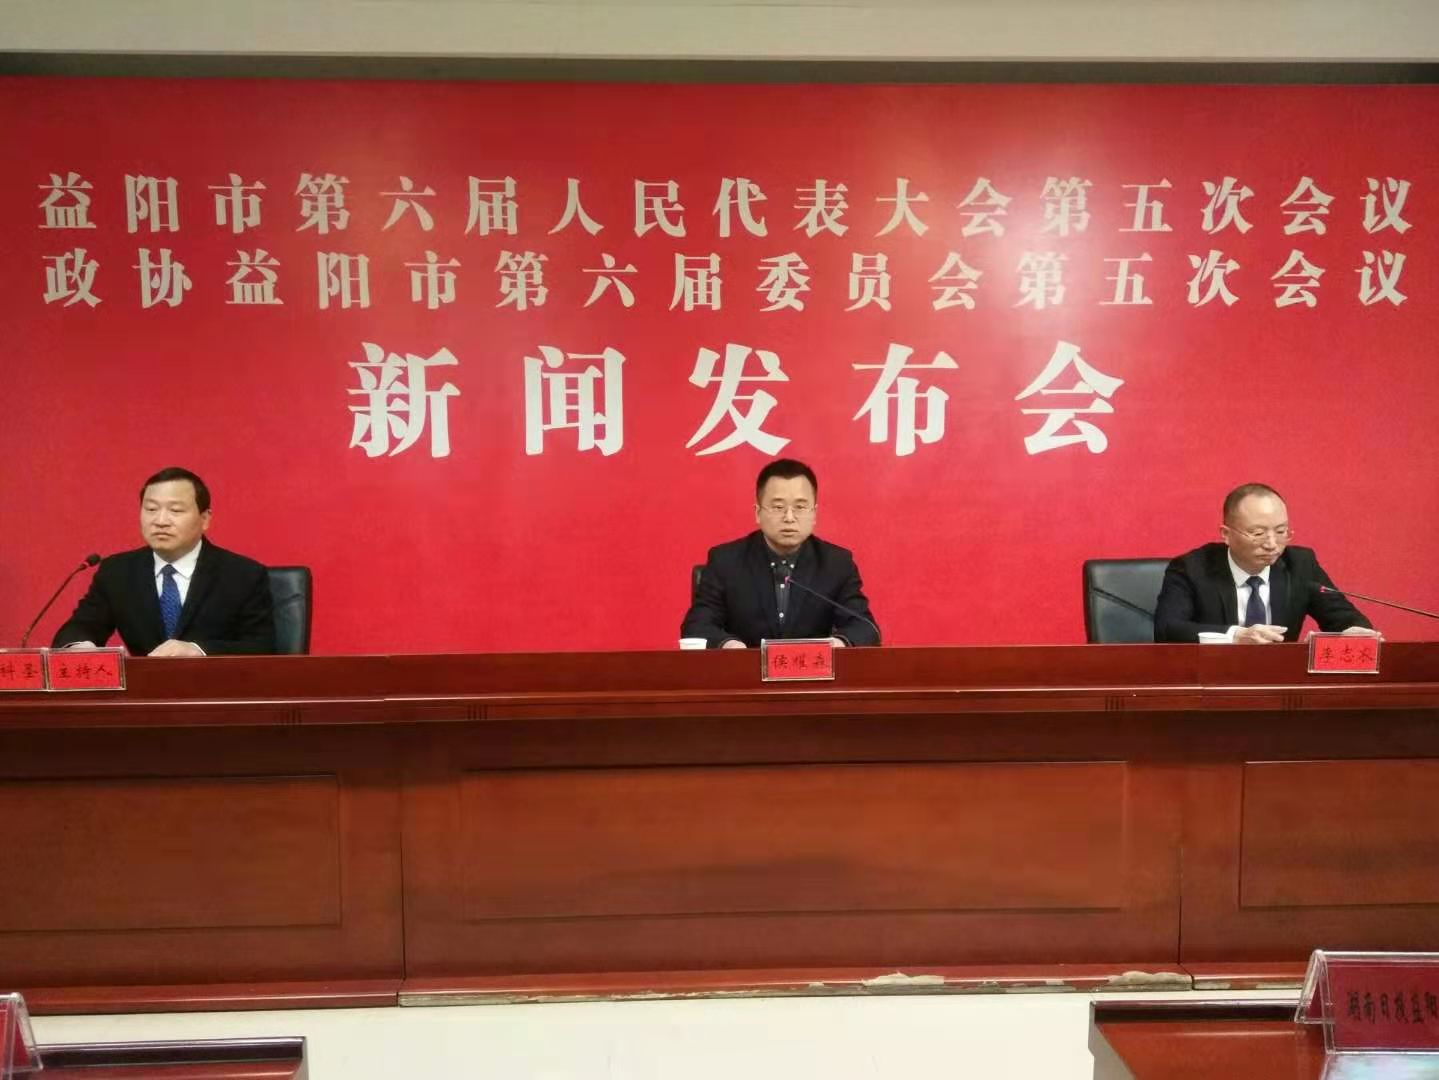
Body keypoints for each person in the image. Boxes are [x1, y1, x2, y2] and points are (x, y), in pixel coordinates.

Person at [52, 466, 276, 656]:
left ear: (205, 519)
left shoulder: (243, 575)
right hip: (143, 692)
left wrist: (199, 650)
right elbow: (78, 629)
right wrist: (80, 647)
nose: (160, 521)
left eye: (175, 510)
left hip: (216, 690)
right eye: (151, 509)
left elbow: (263, 646)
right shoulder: (117, 572)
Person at [681, 458, 880, 649]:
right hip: (744, 670)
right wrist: (729, 645)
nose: (789, 517)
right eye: (778, 507)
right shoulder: (725, 562)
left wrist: (836, 644)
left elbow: (865, 628)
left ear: (814, 513)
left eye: (800, 507)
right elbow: (697, 626)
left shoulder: (836, 564)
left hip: (812, 671)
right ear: (758, 513)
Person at [1153, 482, 1376, 644]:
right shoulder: (1191, 568)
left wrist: (1354, 632)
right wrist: (1236, 636)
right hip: (1214, 682)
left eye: (1281, 532)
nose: (1272, 544)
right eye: (1258, 533)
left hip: (1280, 683)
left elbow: (1344, 617)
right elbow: (1168, 629)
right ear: (1226, 534)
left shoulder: (1300, 564)